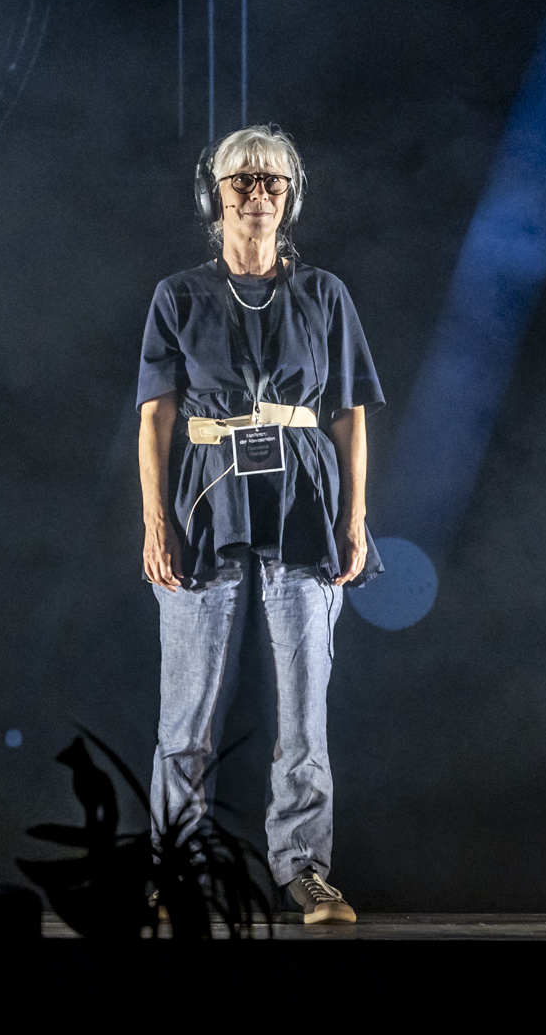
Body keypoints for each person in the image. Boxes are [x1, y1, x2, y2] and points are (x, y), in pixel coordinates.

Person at [136, 124, 383, 924]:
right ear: (214, 195)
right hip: (205, 506)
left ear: (291, 195)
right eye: (242, 179)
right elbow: (155, 416)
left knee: (304, 709)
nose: (258, 192)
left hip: (303, 507)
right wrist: (155, 523)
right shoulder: (178, 295)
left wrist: (355, 517)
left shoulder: (325, 294)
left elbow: (349, 413)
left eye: (273, 180)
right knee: (188, 712)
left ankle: (305, 867)